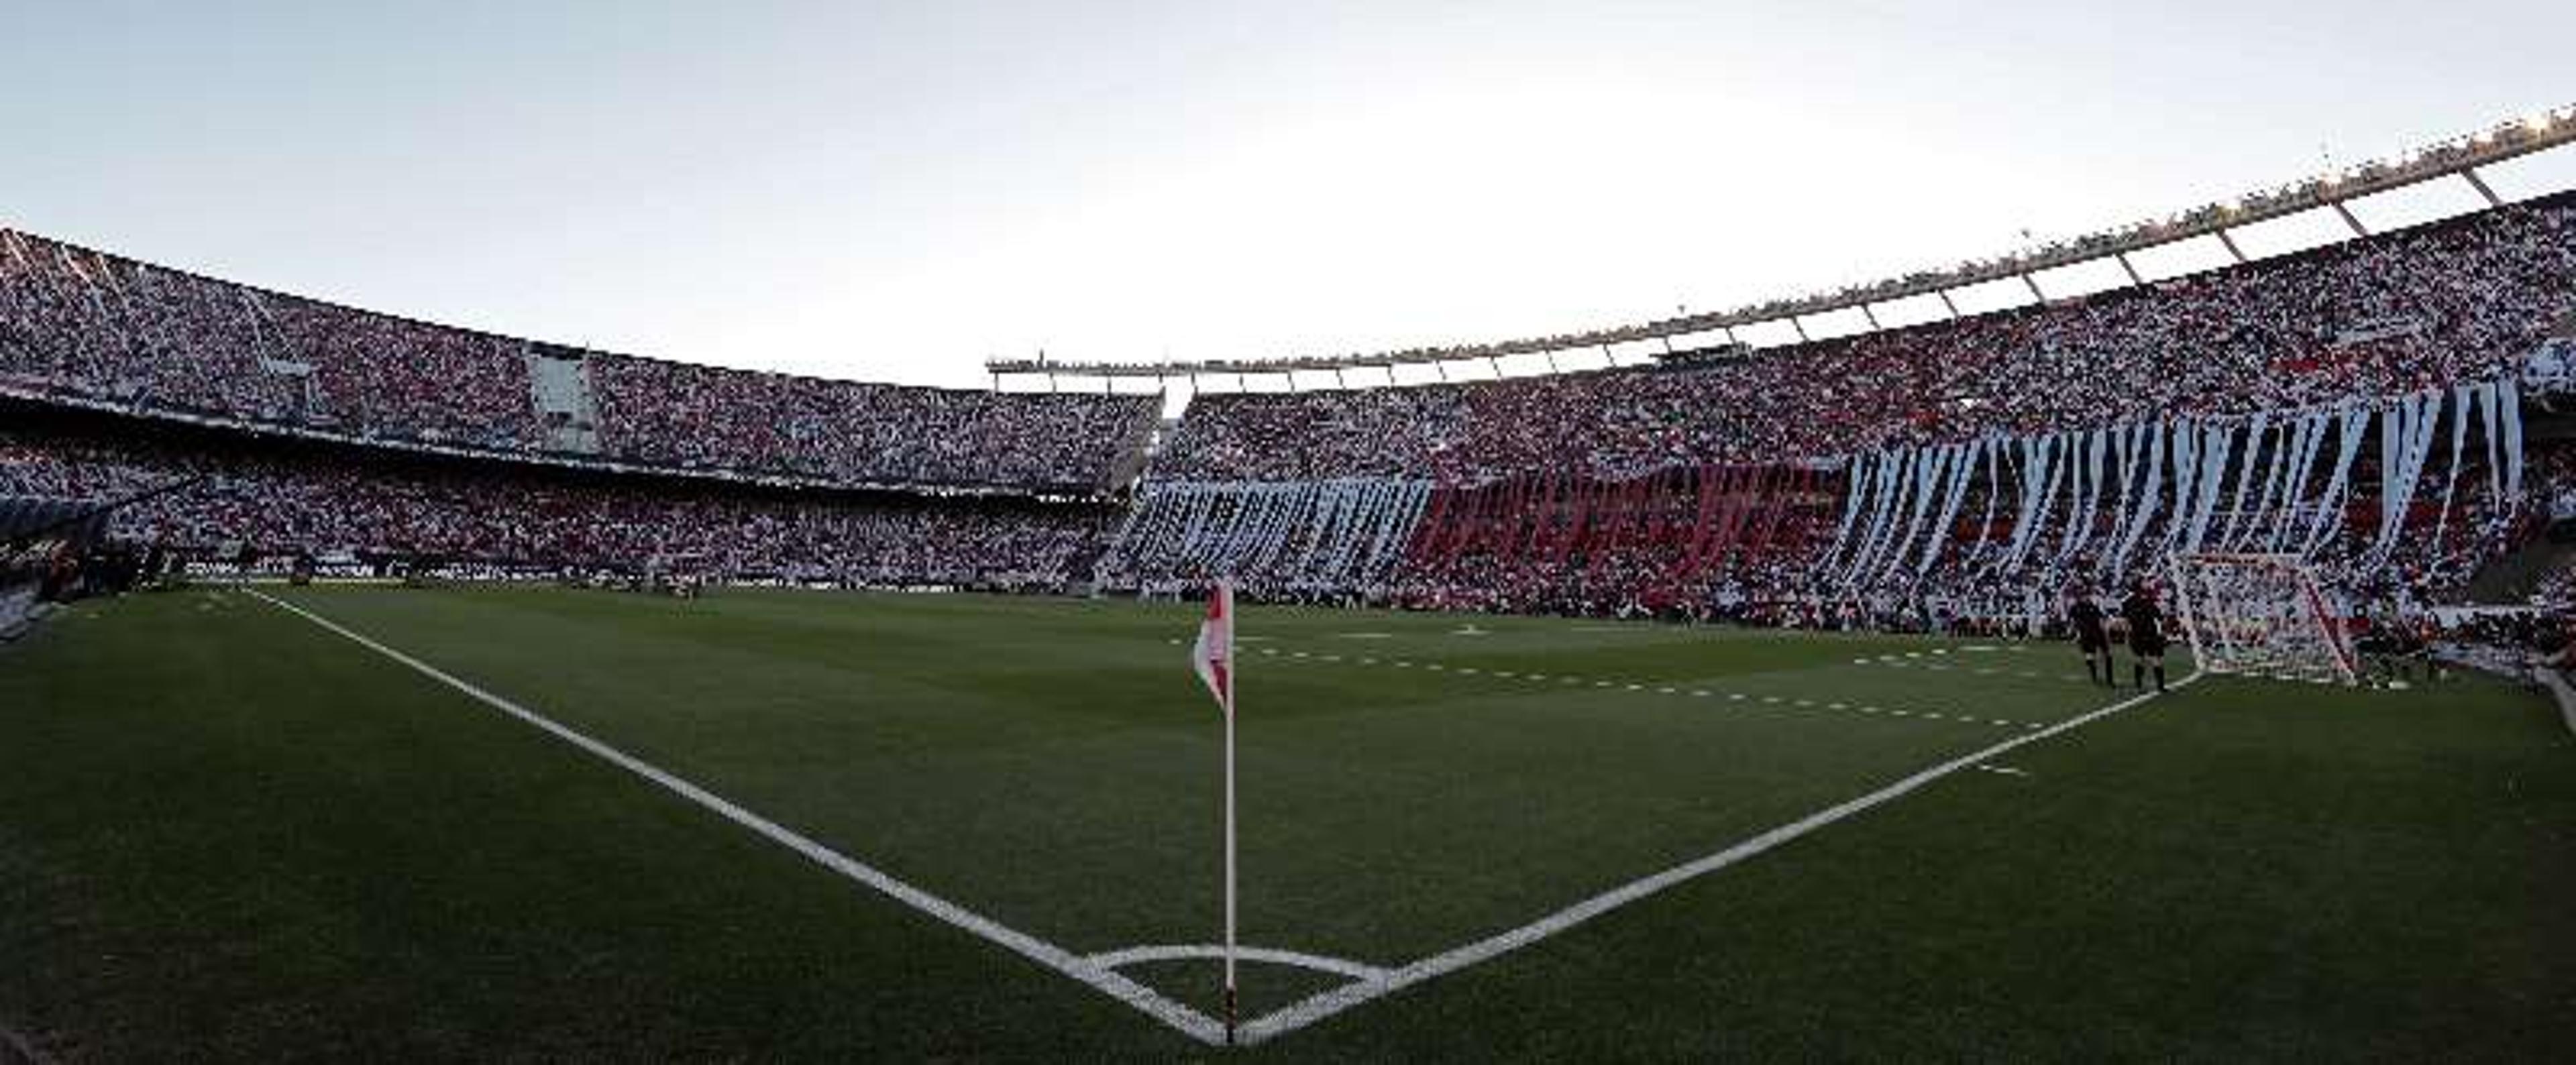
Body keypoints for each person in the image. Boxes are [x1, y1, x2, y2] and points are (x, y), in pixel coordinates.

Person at [2121, 579, 2169, 691]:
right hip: (2149, 633)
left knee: (2141, 660)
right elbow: (2160, 617)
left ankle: (2139, 686)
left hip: (2139, 634)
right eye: (2144, 582)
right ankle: (2160, 687)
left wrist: (2127, 636)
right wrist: (2164, 630)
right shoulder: (2148, 599)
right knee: (2155, 659)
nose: (2147, 583)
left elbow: (2125, 621)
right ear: (2139, 586)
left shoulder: (2128, 601)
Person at [2068, 586, 2111, 685]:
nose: (2086, 597)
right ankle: (2095, 678)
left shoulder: (2089, 606)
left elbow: (2100, 618)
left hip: (2095, 633)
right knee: (2091, 656)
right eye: (2084, 596)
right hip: (2088, 634)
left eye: (2087, 595)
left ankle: (2107, 678)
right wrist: (2073, 631)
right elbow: (2072, 620)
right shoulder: (2080, 607)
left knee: (2105, 655)